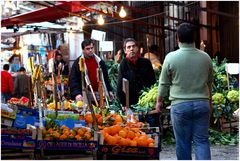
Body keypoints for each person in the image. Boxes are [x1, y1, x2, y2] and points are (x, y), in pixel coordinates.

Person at [155, 23, 213, 160]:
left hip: (180, 106)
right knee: (202, 141)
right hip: (202, 104)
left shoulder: (170, 58)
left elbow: (163, 83)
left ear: (177, 38)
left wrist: (159, 102)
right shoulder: (206, 58)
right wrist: (209, 102)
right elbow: (209, 83)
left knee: (183, 143)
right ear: (195, 38)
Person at [69, 39, 114, 104]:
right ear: (83, 50)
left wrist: (109, 90)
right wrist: (77, 93)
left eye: (92, 48)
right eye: (87, 49)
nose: (90, 50)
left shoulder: (100, 62)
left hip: (100, 95)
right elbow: (73, 80)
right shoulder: (78, 63)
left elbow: (106, 78)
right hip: (85, 96)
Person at [117, 38, 156, 113]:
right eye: (129, 47)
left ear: (137, 48)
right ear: (125, 50)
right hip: (131, 103)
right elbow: (120, 85)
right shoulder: (123, 64)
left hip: (146, 103)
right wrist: (123, 103)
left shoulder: (146, 62)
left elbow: (153, 82)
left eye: (133, 46)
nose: (131, 49)